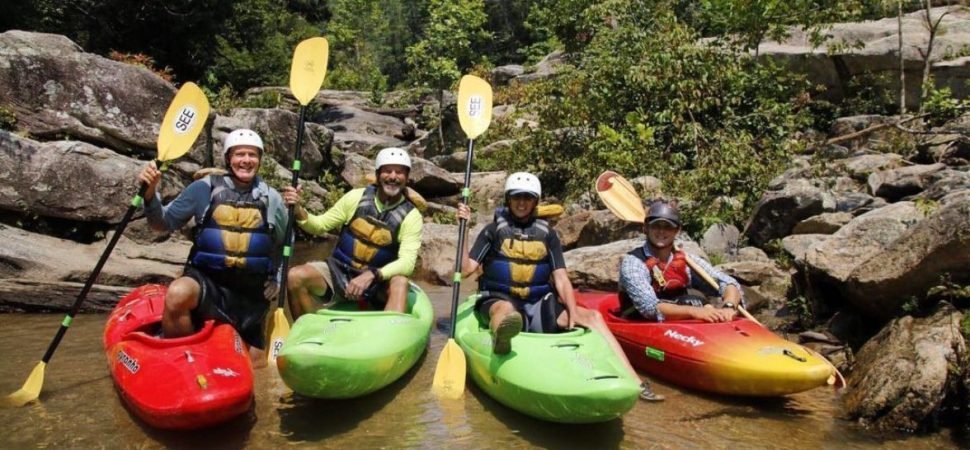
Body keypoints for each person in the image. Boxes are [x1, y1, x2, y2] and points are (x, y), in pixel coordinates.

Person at [456, 172, 664, 401]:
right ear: (508, 200)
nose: (522, 203)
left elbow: (561, 278)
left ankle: (634, 380)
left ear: (535, 201)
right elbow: (466, 269)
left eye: (527, 198)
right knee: (505, 312)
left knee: (593, 317)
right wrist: (464, 229)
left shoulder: (547, 235)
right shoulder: (492, 232)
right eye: (517, 198)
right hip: (499, 298)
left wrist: (572, 310)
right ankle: (501, 340)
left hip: (536, 304)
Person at [138, 128, 288, 364]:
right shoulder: (203, 189)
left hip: (250, 293)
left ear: (259, 159)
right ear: (229, 158)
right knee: (178, 293)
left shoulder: (272, 198)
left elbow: (284, 242)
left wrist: (277, 279)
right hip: (208, 283)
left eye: (252, 155)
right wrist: (150, 194)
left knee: (256, 370)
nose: (246, 161)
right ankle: (183, 361)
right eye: (239, 154)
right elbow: (162, 223)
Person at [282, 147, 422, 317]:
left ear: (406, 177)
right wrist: (298, 210)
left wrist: (372, 275)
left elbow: (407, 263)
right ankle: (307, 332)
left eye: (399, 172)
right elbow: (319, 225)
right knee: (295, 276)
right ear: (378, 175)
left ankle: (388, 336)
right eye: (387, 171)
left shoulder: (411, 216)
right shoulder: (355, 197)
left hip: (378, 283)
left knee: (400, 282)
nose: (393, 176)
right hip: (340, 271)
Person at [619, 199, 743, 323]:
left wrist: (729, 306)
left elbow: (728, 283)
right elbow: (650, 308)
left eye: (668, 227)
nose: (661, 231)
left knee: (695, 300)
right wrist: (695, 311)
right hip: (642, 325)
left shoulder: (689, 262)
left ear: (677, 231)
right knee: (694, 303)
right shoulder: (633, 263)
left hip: (679, 326)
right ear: (646, 228)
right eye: (656, 226)